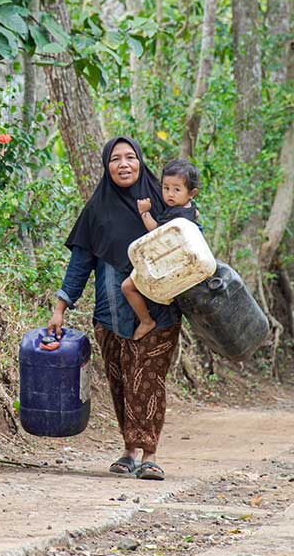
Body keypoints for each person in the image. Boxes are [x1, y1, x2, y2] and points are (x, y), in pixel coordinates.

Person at [46, 137, 182, 481]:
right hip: (111, 316)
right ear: (106, 166)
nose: (124, 164)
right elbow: (79, 264)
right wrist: (60, 307)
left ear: (140, 162)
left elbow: (188, 242)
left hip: (161, 312)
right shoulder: (97, 210)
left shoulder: (161, 201)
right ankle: (128, 451)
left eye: (130, 157)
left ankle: (149, 454)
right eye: (115, 159)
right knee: (121, 382)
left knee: (148, 381)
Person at [120, 159, 201, 341]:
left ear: (192, 193)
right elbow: (196, 215)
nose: (169, 194)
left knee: (127, 287)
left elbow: (156, 230)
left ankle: (146, 321)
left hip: (166, 264)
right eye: (166, 188)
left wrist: (144, 212)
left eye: (176, 189)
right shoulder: (189, 209)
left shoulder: (175, 214)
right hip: (176, 264)